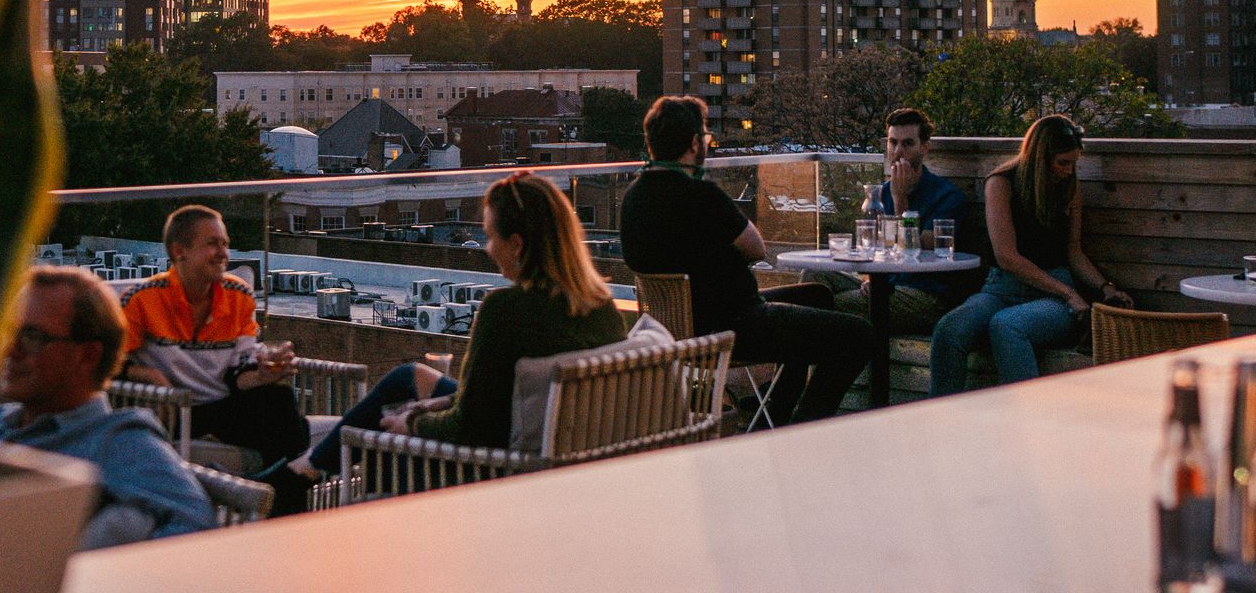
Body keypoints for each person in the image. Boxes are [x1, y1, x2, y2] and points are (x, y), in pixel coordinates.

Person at [256, 173, 623, 515]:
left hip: (504, 464)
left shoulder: (505, 311)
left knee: (386, 429)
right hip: (559, 440)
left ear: (517, 245)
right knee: (407, 378)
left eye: (491, 236)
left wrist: (414, 422)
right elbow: (498, 395)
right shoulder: (601, 305)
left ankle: (295, 481)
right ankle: (301, 471)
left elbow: (473, 427)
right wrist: (441, 401)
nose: (487, 248)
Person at [620, 95, 871, 425]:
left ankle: (774, 412)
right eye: (706, 137)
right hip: (735, 326)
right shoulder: (701, 195)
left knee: (817, 296)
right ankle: (806, 427)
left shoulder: (632, 198)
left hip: (680, 328)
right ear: (695, 143)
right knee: (859, 335)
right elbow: (756, 248)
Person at [0, 267, 215, 548]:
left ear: (88, 355)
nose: (9, 350)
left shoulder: (117, 442)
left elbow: (196, 525)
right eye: (8, 332)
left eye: (32, 336)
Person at [929, 114, 1131, 396]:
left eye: (1074, 163)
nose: (1069, 171)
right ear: (1039, 157)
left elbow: (1074, 253)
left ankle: (1025, 422)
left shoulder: (1069, 189)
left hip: (1051, 297)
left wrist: (1105, 287)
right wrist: (1068, 294)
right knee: (950, 329)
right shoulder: (1001, 183)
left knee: (1008, 326)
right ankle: (939, 421)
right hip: (1002, 289)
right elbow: (1007, 257)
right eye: (1063, 162)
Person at [120, 205, 309, 469]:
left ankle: (284, 480)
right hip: (174, 409)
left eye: (225, 244)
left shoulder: (238, 294)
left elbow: (238, 374)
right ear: (179, 251)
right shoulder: (142, 299)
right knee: (291, 428)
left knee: (279, 398)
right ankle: (286, 482)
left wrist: (262, 374)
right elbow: (107, 363)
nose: (223, 253)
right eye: (212, 244)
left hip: (223, 406)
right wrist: (151, 376)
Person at [822, 107, 970, 335]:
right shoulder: (879, 194)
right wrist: (872, 278)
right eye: (893, 143)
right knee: (813, 284)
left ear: (924, 148)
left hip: (925, 294)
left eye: (907, 144)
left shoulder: (947, 196)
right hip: (886, 284)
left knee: (825, 308)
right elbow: (874, 246)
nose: (898, 152)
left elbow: (919, 251)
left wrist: (900, 199)